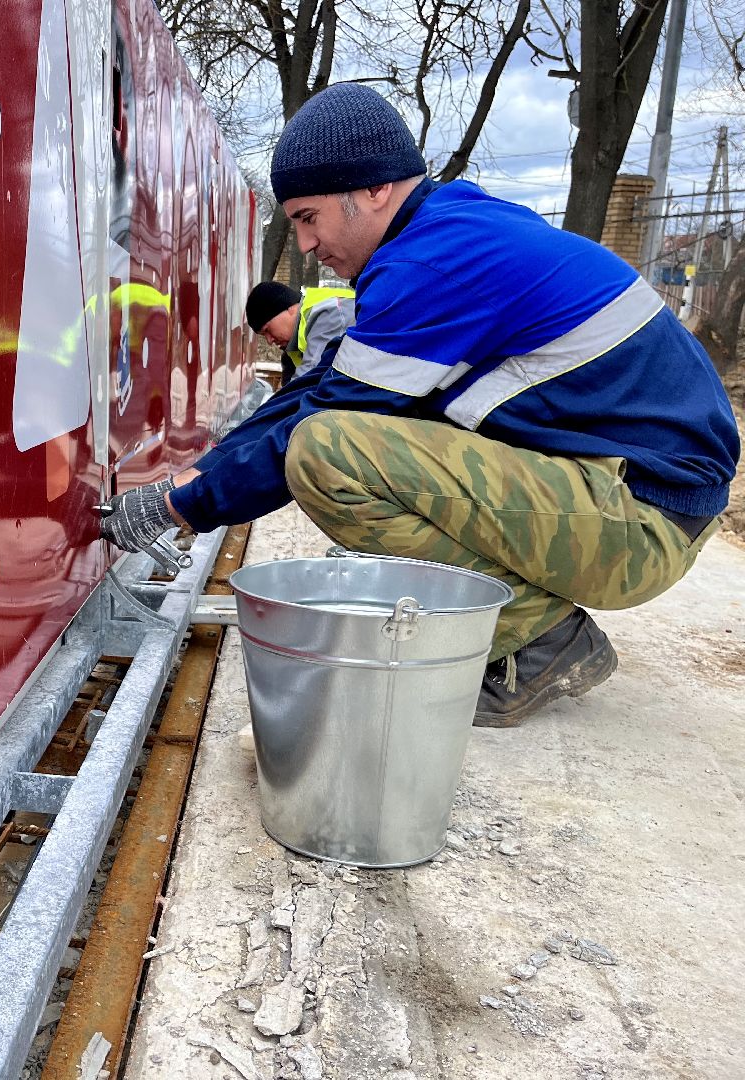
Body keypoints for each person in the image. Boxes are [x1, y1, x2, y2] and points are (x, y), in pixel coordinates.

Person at [100, 82, 740, 727]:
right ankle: (521, 619)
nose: (305, 246)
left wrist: (182, 504)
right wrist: (195, 479)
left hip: (641, 521)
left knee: (327, 455)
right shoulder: (447, 234)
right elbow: (318, 387)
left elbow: (325, 421)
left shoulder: (433, 267)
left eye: (306, 218)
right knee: (334, 440)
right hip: (629, 494)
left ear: (373, 191)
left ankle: (540, 640)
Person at [245, 280, 355, 384]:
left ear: (290, 309)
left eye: (267, 330)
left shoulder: (329, 313)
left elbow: (310, 378)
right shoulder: (295, 346)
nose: (269, 340)